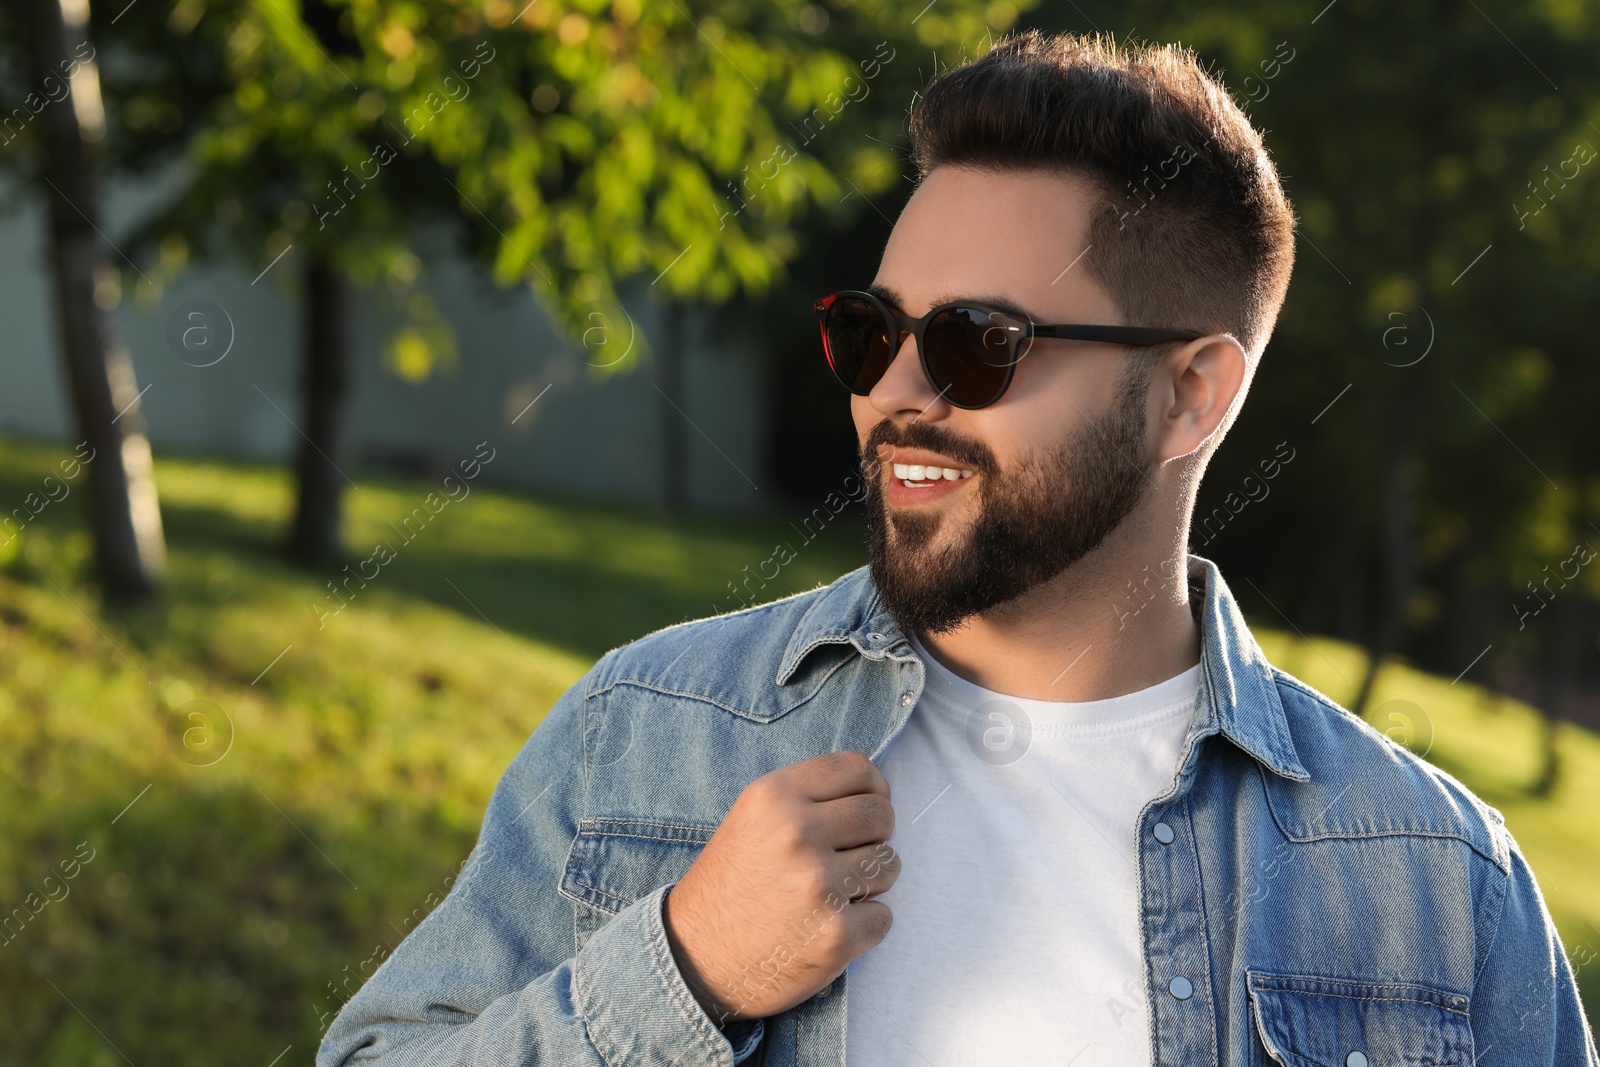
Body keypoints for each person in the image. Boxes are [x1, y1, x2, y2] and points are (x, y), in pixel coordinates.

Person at [318, 29, 1599, 1067]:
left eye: (982, 340)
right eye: (874, 329)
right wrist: (684, 972)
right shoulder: (643, 732)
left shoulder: (1432, 880)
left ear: (1193, 395)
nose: (897, 393)